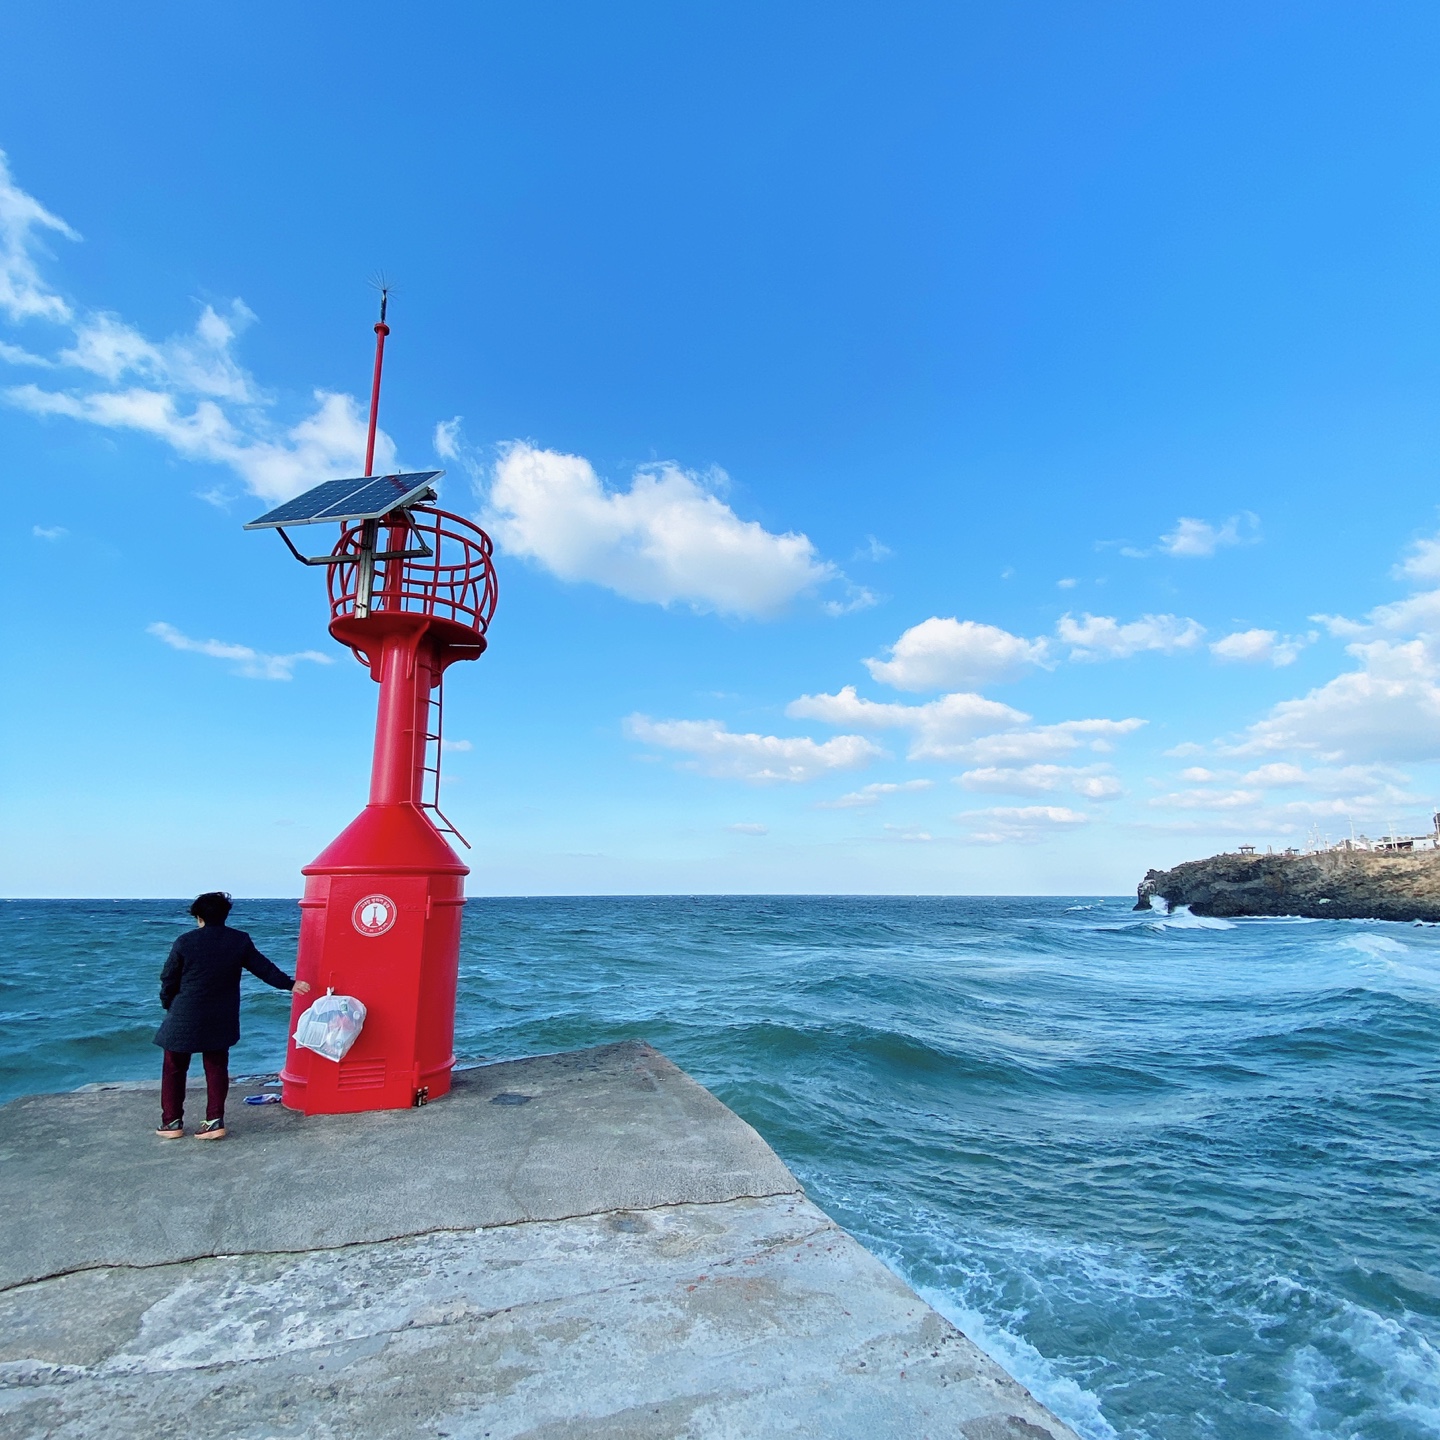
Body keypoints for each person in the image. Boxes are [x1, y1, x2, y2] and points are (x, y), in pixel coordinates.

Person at [153, 892, 310, 1140]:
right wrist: (289, 984)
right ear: (225, 915)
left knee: (174, 1066)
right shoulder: (238, 940)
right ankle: (214, 1121)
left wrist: (167, 1004)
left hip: (184, 1012)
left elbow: (169, 978)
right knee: (216, 1066)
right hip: (221, 1013)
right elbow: (263, 968)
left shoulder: (185, 941)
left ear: (199, 917)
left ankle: (172, 1122)